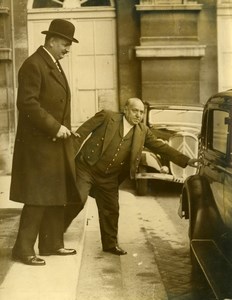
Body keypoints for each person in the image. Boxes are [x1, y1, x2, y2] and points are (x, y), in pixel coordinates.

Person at [64, 98, 199, 255]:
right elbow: (80, 133)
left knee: (112, 209)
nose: (139, 115)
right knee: (78, 198)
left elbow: (162, 148)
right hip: (87, 167)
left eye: (141, 112)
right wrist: (67, 160)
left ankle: (110, 245)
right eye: (135, 111)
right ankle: (55, 231)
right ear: (126, 109)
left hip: (109, 177)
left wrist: (187, 160)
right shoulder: (107, 117)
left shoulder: (142, 131)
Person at [10, 19, 80, 266]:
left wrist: (66, 130)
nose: (67, 49)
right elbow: (27, 104)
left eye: (69, 44)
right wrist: (55, 127)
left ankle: (51, 244)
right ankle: (22, 249)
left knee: (56, 194)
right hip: (38, 146)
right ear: (51, 40)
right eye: (65, 43)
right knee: (38, 197)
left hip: (54, 144)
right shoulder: (34, 65)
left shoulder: (53, 64)